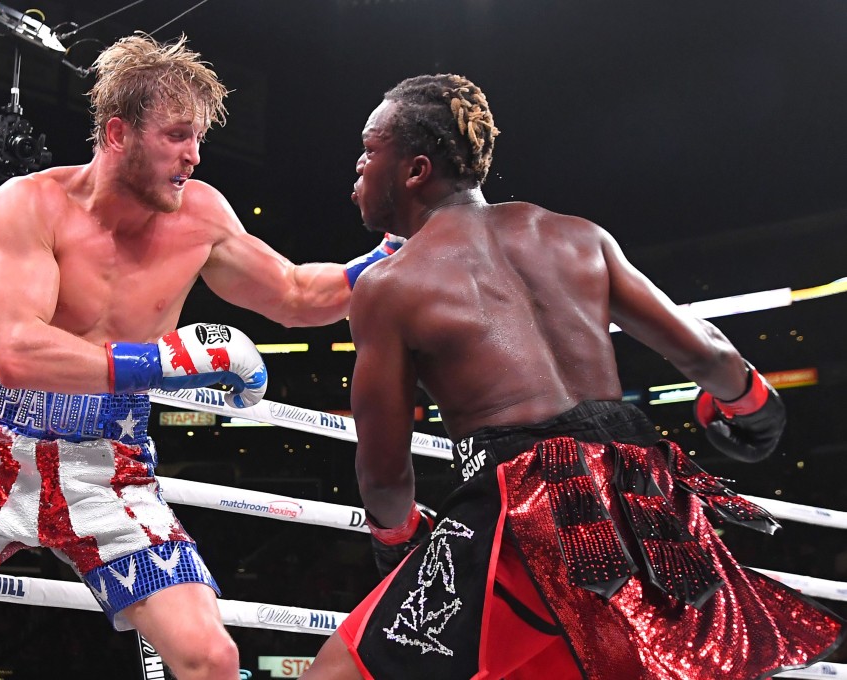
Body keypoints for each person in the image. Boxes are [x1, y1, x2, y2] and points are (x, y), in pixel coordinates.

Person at [0, 35, 403, 680]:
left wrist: (392, 254)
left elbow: (298, 295)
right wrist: (166, 359)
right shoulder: (31, 203)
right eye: (178, 135)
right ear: (118, 133)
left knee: (211, 658)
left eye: (198, 138)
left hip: (109, 468)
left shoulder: (202, 215)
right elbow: (16, 348)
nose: (194, 155)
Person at [301, 74, 845, 679]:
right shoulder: (577, 236)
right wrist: (753, 405)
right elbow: (707, 353)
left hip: (526, 512)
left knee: (337, 674)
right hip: (646, 506)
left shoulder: (388, 286)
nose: (357, 164)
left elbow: (383, 473)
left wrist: (398, 541)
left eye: (370, 148)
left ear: (415, 170)